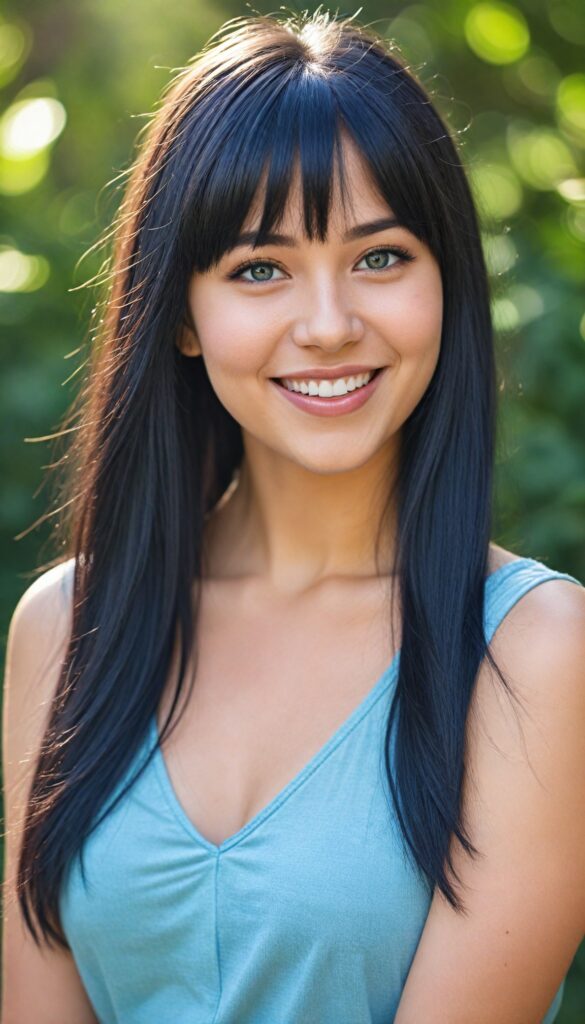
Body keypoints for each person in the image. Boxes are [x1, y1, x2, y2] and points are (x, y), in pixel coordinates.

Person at [2, 9, 584, 1024]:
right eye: (259, 269)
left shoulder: (538, 654)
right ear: (180, 313)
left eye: (380, 257)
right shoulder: (67, 630)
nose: (326, 325)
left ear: (447, 280)